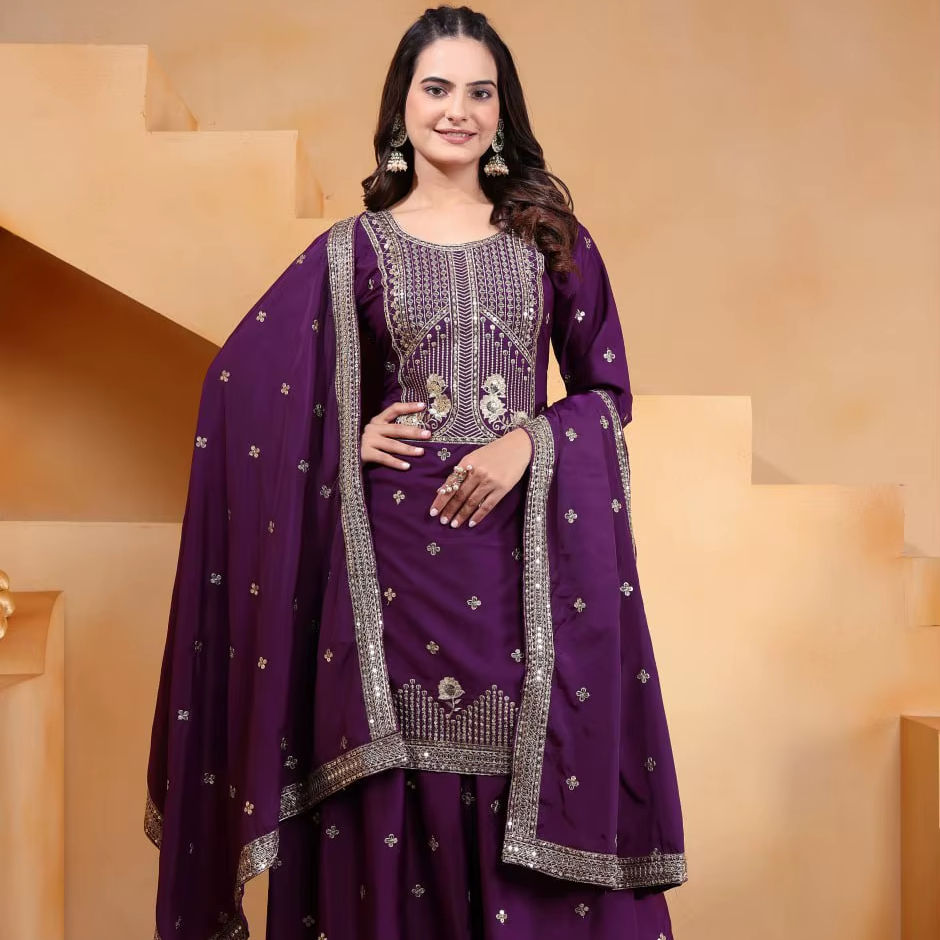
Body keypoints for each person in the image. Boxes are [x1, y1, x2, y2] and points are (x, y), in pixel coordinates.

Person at [144, 6, 687, 938]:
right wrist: (336, 441)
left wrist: (528, 443)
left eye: (480, 92)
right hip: (388, 580)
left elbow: (608, 394)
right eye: (437, 89)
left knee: (528, 776)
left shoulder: (551, 240)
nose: (457, 111)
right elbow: (243, 388)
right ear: (402, 105)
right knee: (388, 802)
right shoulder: (351, 250)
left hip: (522, 571)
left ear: (502, 113)